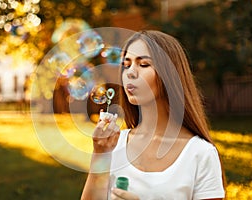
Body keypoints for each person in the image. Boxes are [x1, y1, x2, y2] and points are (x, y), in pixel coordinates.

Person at [81, 30, 225, 200]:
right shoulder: (112, 145)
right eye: (126, 65)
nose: (130, 73)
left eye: (143, 64)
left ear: (169, 74)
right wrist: (100, 155)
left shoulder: (200, 153)